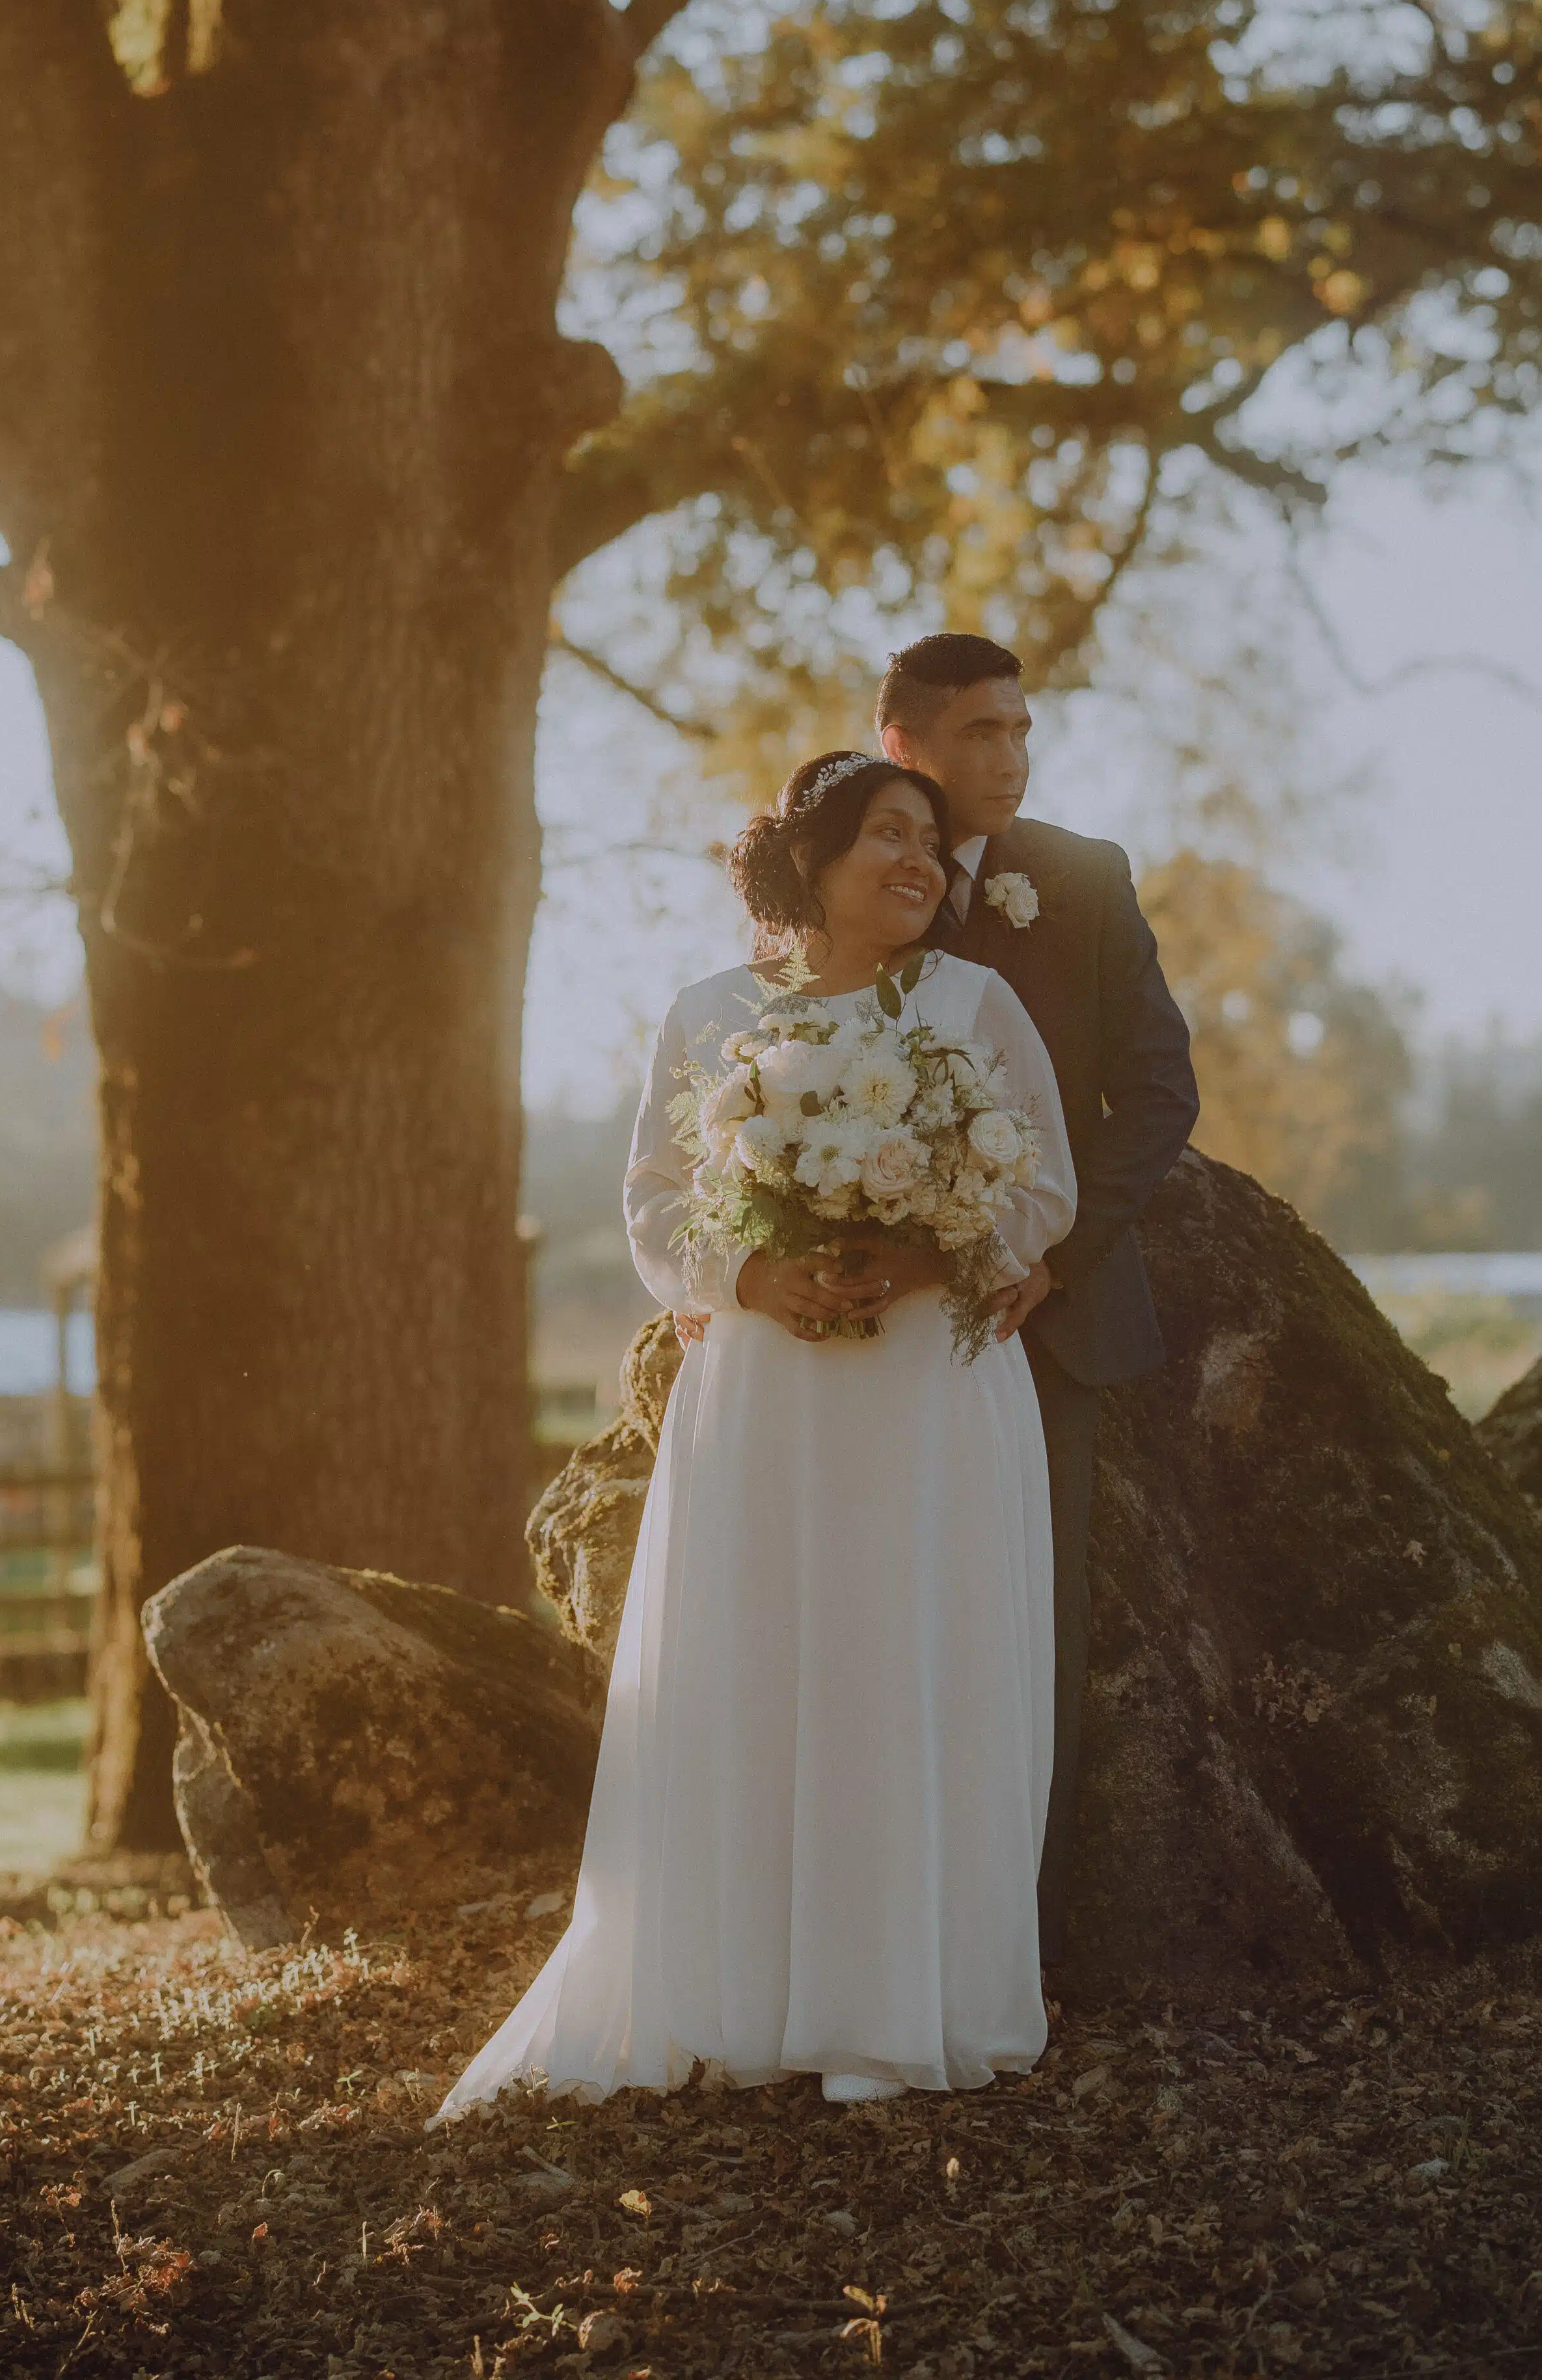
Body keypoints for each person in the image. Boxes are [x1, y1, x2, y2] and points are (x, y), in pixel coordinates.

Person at [431, 752, 1077, 2118]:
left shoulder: (976, 1004)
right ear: (811, 860)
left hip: (925, 1389)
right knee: (765, 1662)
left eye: (931, 841)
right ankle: (746, 1992)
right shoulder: (710, 1013)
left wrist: (926, 1256)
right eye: (887, 834)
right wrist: (749, 1276)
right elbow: (656, 1197)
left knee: (910, 1661)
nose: (920, 861)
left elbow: (1044, 1187)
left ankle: (895, 2004)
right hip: (768, 1391)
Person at [876, 634, 1199, 1970]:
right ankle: (875, 1936)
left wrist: (1053, 1251)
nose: (1009, 757)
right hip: (878, 1328)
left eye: (1020, 729)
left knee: (1028, 1639)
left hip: (1045, 1325)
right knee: (880, 1624)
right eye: (978, 733)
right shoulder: (846, 878)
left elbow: (1160, 1092)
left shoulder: (1082, 877)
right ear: (903, 745)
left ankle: (1019, 1953)